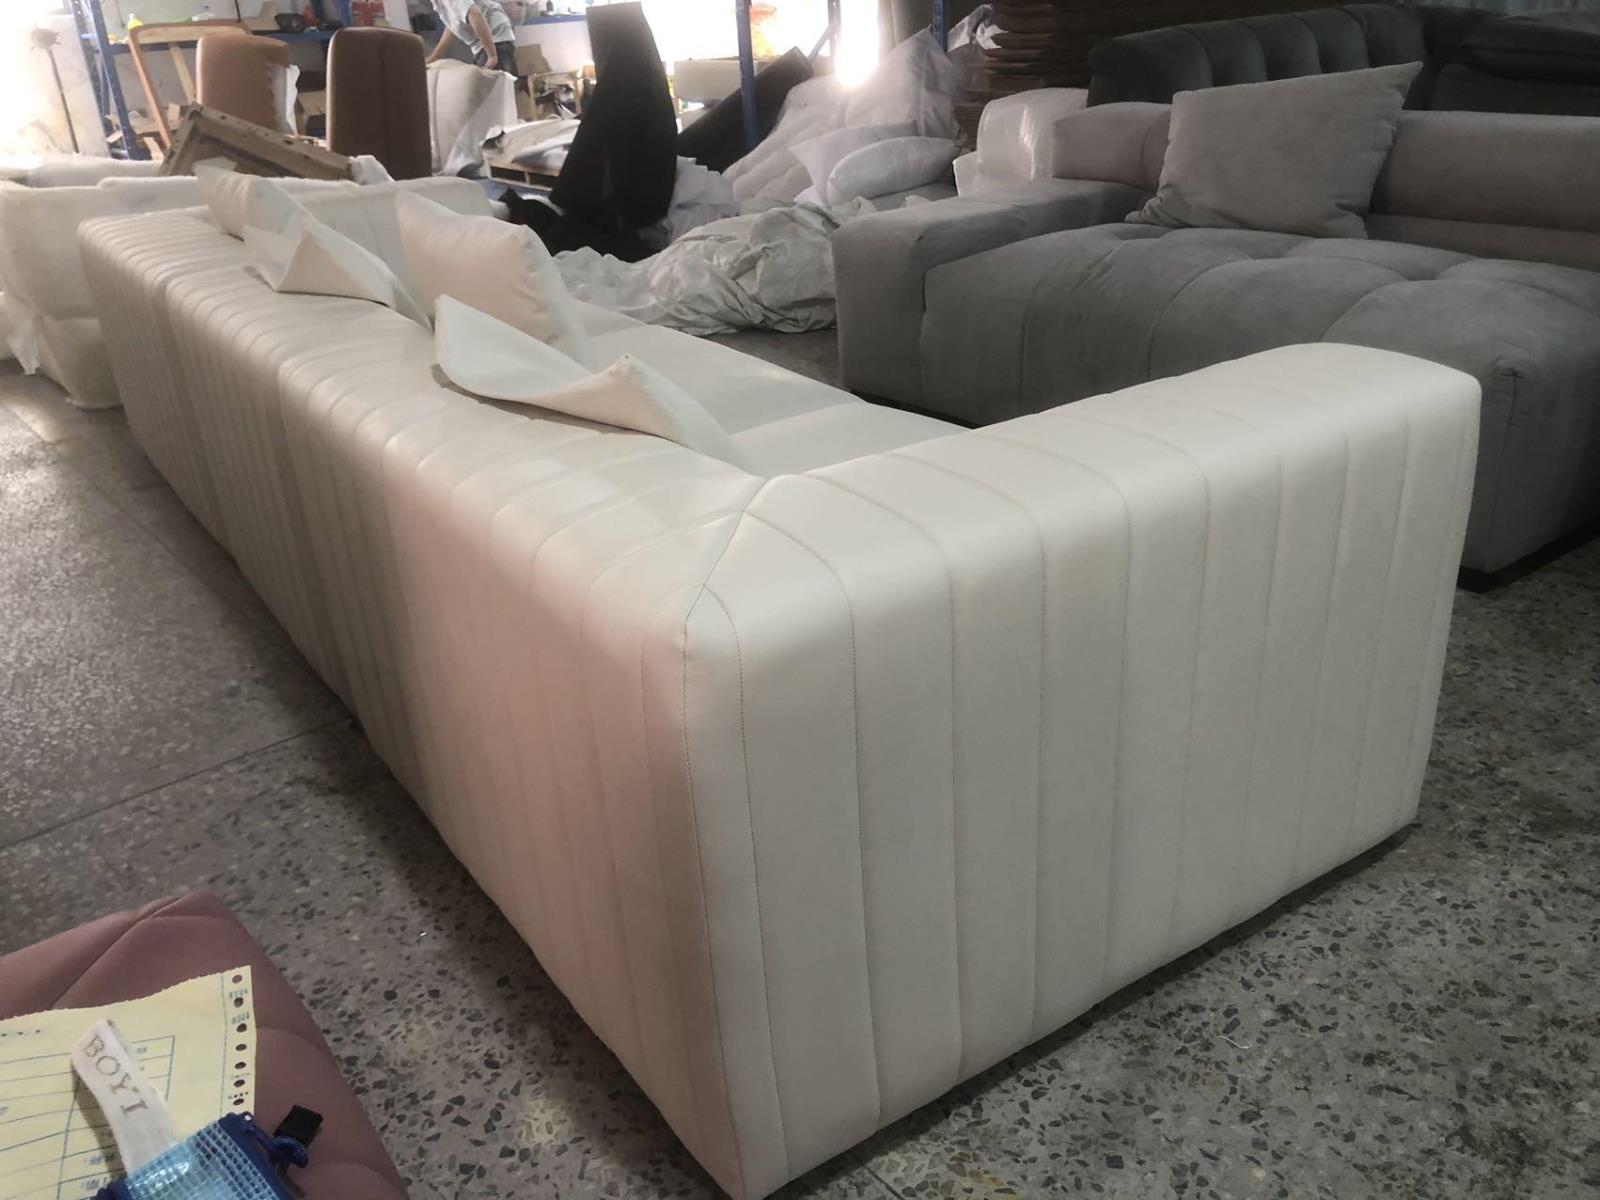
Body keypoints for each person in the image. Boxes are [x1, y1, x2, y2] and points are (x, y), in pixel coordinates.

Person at [426, 0, 517, 75]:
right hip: (484, 41)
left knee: (493, 85)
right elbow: (453, 24)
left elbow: (474, 14)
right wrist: (434, 57)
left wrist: (492, 56)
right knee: (488, 84)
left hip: (494, 36)